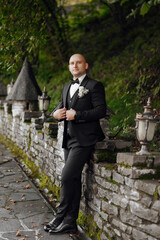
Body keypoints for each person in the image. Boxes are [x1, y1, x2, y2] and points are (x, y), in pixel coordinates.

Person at [44, 53, 106, 234]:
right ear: (69, 67)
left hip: (85, 139)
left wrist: (77, 115)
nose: (75, 65)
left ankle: (60, 215)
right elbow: (59, 106)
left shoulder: (94, 86)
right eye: (72, 63)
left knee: (65, 176)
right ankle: (70, 221)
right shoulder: (66, 87)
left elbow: (101, 110)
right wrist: (55, 114)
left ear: (85, 65)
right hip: (69, 140)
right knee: (72, 179)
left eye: (78, 62)